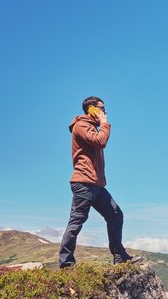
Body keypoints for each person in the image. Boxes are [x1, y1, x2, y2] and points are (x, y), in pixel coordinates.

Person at [59, 96, 142, 268]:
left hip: (96, 184)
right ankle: (66, 263)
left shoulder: (91, 127)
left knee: (116, 214)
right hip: (83, 182)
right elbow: (100, 142)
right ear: (92, 109)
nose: (105, 111)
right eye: (102, 108)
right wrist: (104, 123)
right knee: (76, 221)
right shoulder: (81, 125)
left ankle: (120, 257)